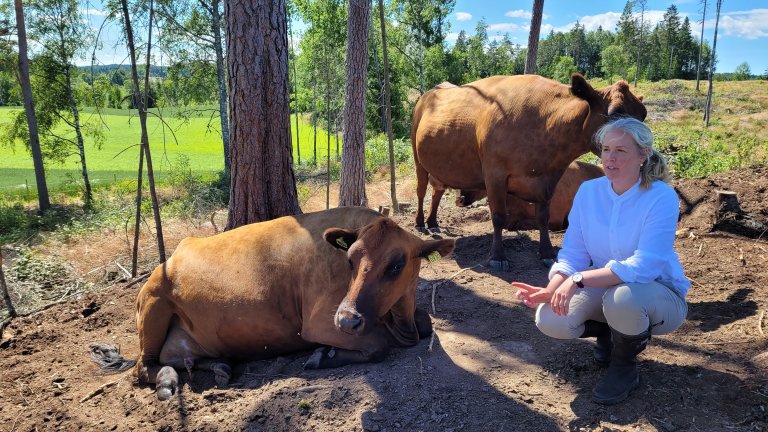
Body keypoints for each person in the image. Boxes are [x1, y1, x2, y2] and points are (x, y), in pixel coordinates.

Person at [513, 117, 690, 405]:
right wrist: (555, 285)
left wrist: (579, 280)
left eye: (621, 150)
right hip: (608, 290)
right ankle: (612, 332)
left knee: (623, 299)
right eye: (606, 149)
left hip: (657, 295)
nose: (610, 158)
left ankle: (624, 366)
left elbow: (645, 265)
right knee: (550, 319)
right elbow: (573, 252)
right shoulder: (589, 192)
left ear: (642, 154)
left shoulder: (661, 197)